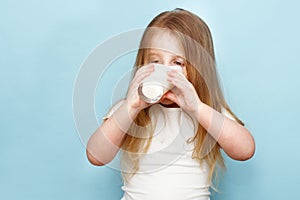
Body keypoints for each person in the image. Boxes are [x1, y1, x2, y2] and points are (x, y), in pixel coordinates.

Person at [86, 8, 255, 200]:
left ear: (200, 69)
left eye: (177, 63)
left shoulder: (208, 112)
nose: (165, 72)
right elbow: (96, 156)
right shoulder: (130, 110)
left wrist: (197, 108)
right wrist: (130, 107)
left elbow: (245, 150)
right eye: (155, 61)